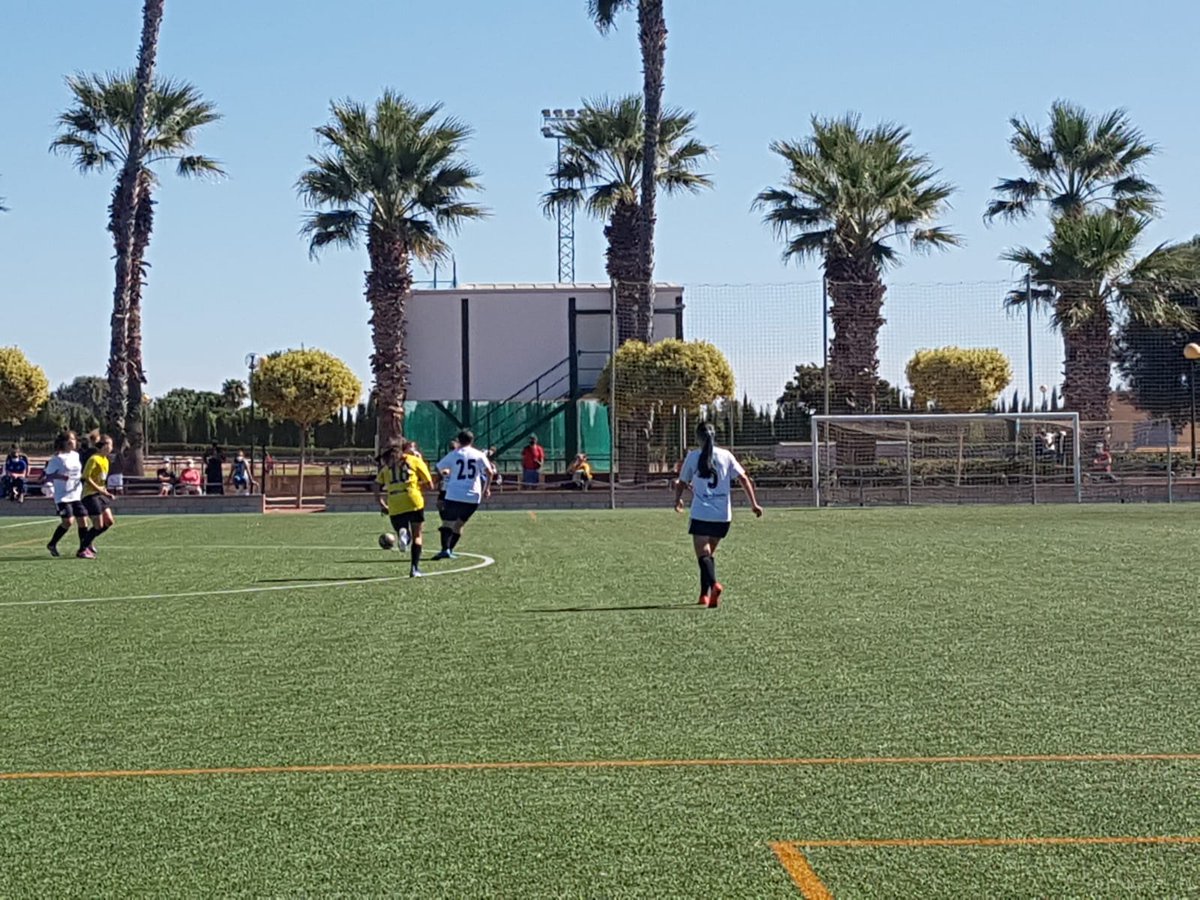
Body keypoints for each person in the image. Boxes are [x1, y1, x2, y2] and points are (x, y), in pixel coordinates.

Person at [673, 421, 763, 609]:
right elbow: (744, 478)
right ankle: (703, 595)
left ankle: (714, 586)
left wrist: (677, 500)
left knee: (703, 554)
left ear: (697, 438)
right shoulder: (726, 455)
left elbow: (681, 481)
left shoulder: (693, 456)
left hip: (701, 513)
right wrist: (753, 504)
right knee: (708, 556)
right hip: (723, 516)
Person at [374, 440, 435, 577]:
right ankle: (414, 569)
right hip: (412, 499)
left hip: (394, 501)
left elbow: (376, 485)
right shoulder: (415, 461)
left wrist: (381, 502)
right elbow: (430, 484)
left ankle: (404, 534)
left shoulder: (387, 467)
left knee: (403, 530)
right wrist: (418, 486)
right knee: (417, 536)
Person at [433, 430, 495, 560]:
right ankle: (450, 549)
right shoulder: (479, 454)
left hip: (454, 494)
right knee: (460, 524)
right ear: (472, 441)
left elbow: (438, 467)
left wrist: (447, 473)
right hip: (473, 496)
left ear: (459, 440)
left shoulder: (453, 454)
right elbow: (489, 472)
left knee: (447, 523)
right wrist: (486, 488)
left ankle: (445, 549)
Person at [43, 431, 86, 558]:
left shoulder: (76, 455)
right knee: (68, 521)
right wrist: (60, 477)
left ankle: (84, 548)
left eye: (74, 439)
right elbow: (47, 476)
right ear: (64, 443)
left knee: (83, 520)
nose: (73, 442)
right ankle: (52, 544)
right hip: (62, 495)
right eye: (70, 440)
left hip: (76, 493)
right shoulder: (57, 459)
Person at [79, 434, 116, 558]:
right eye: (110, 444)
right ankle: (82, 550)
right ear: (105, 445)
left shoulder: (106, 460)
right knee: (98, 525)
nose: (112, 447)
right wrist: (101, 490)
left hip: (100, 494)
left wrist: (106, 492)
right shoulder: (94, 459)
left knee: (109, 521)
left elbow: (101, 480)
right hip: (90, 495)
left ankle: (88, 541)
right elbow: (86, 477)